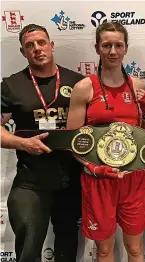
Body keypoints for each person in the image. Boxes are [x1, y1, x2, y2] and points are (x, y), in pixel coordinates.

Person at [66, 21, 145, 262]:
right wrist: (93, 167)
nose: (112, 51)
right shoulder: (84, 88)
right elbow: (73, 140)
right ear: (97, 48)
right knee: (104, 251)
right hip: (99, 179)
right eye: (106, 45)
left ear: (125, 48)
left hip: (133, 178)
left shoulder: (137, 86)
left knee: (135, 250)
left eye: (118, 45)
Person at [1, 24, 84, 262]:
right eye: (30, 45)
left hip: (71, 179)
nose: (37, 49)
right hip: (31, 180)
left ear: (51, 45)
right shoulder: (12, 85)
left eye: (41, 42)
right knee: (28, 248)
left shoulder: (77, 82)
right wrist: (23, 143)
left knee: (67, 246)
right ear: (22, 52)